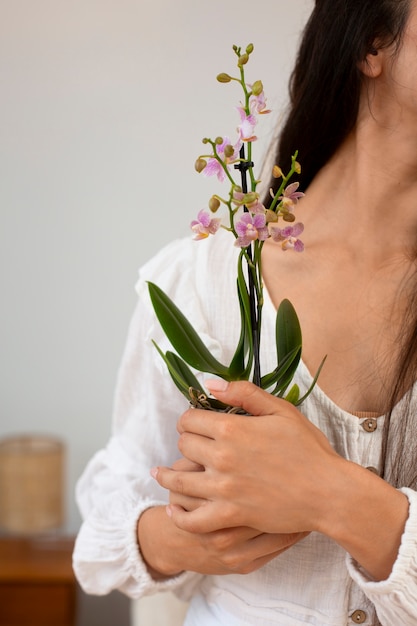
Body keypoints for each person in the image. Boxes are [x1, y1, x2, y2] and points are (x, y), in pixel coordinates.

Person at [73, 0, 417, 624]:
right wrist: (185, 537)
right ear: (372, 43)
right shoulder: (202, 278)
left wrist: (329, 493)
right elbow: (101, 531)